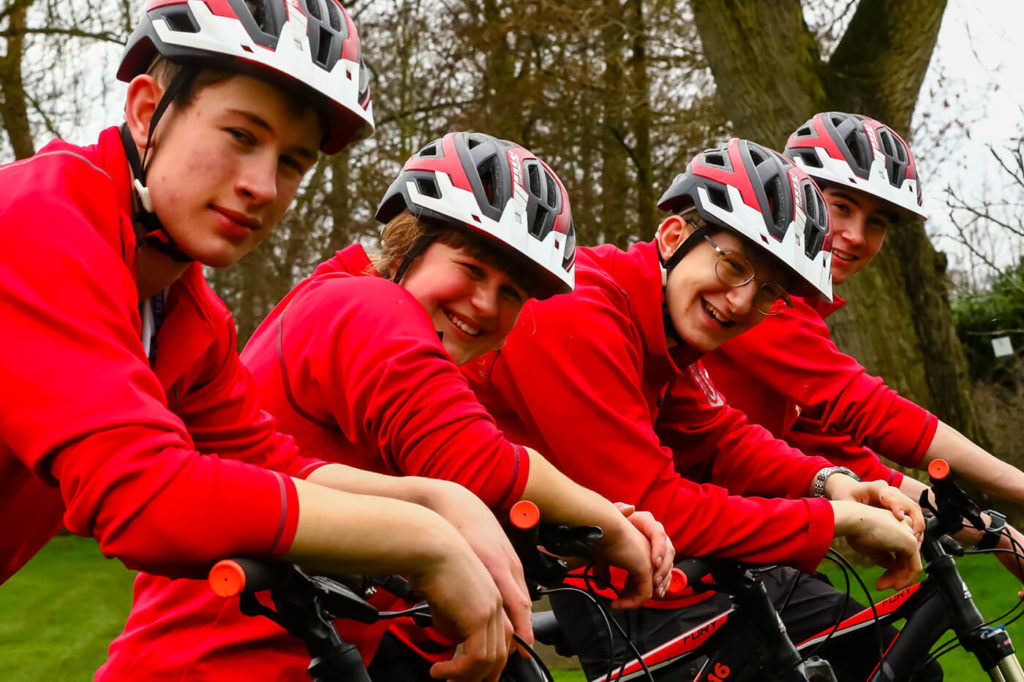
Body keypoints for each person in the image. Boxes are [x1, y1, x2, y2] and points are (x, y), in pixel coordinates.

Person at [0, 2, 549, 680]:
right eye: (240, 135)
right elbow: (144, 495)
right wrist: (424, 541)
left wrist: (438, 500)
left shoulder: (187, 315)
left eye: (292, 163)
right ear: (146, 112)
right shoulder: (40, 221)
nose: (262, 186)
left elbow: (267, 463)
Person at [98, 130, 671, 680]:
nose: (485, 305)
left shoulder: (355, 311)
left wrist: (590, 522)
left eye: (512, 294)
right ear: (408, 243)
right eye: (471, 269)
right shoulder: (363, 305)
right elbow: (477, 465)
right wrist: (615, 531)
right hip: (208, 668)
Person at [459, 137, 936, 681]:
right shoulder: (578, 311)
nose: (740, 302)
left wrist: (831, 482)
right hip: (598, 585)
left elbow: (722, 436)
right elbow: (654, 502)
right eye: (734, 265)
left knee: (899, 664)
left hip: (646, 571)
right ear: (673, 236)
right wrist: (836, 519)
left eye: (769, 293)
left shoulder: (664, 325)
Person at [700, 112, 1024, 575]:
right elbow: (870, 410)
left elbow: (860, 466)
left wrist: (1002, 537)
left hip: (725, 552)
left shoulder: (799, 316)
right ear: (797, 198)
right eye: (842, 207)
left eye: (877, 223)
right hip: (670, 558)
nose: (855, 237)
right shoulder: (757, 301)